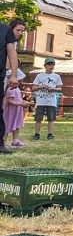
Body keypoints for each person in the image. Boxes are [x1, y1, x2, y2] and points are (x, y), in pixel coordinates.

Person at [0, 18, 26, 154]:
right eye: (18, 30)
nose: (21, 33)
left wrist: (14, 74)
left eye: (23, 31)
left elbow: (11, 54)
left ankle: (1, 142)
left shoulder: (7, 34)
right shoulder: (6, 32)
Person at [32, 57, 62, 140]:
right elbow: (33, 88)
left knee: (51, 118)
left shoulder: (57, 76)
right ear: (45, 66)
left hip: (51, 101)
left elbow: (60, 88)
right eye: (49, 64)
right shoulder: (39, 76)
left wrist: (52, 89)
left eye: (52, 64)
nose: (51, 66)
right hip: (41, 101)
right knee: (38, 118)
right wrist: (41, 87)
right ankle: (37, 134)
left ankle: (50, 134)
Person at [3, 76, 27, 148]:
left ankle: (15, 141)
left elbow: (18, 99)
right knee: (6, 125)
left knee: (17, 125)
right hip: (11, 111)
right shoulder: (11, 88)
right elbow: (9, 101)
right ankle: (3, 141)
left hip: (17, 110)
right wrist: (21, 104)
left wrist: (25, 103)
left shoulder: (17, 88)